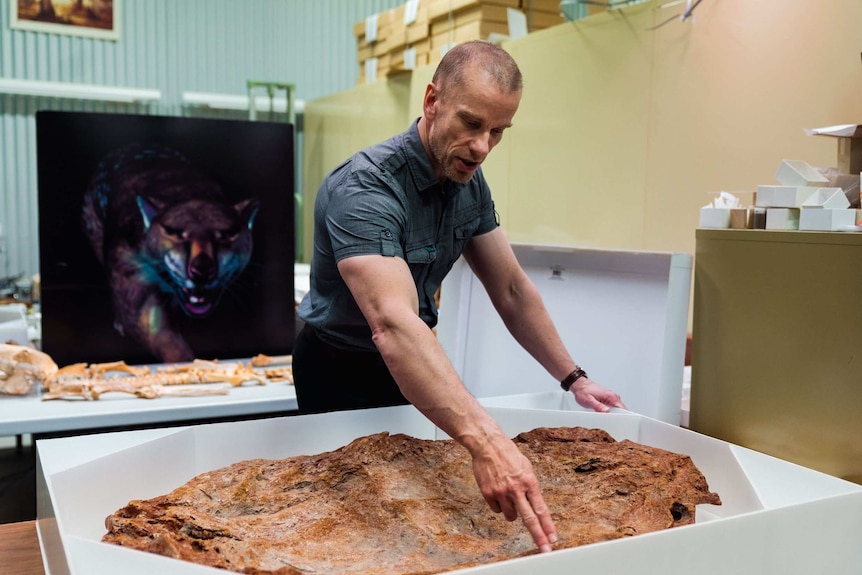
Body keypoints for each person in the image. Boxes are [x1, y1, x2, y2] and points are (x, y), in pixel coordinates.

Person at [294, 40, 626, 554]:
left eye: (498, 132)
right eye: (472, 124)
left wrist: (574, 379)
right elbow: (395, 324)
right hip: (338, 369)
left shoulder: (467, 180)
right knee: (349, 522)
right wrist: (488, 442)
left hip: (410, 365)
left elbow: (511, 288)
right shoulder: (363, 189)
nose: (482, 147)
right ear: (431, 101)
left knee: (413, 509)